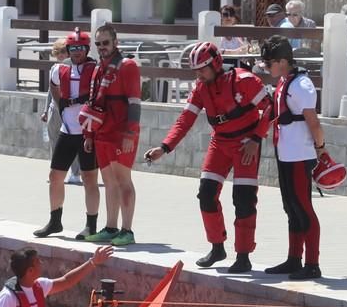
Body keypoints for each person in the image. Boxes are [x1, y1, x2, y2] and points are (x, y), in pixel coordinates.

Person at [144, 42, 272, 273]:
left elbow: (271, 109)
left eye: (202, 69)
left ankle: (243, 256)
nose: (198, 75)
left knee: (243, 200)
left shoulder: (244, 80)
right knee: (206, 194)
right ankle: (217, 247)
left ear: (216, 64)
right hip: (220, 142)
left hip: (245, 144)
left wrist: (256, 139)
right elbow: (185, 120)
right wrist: (164, 148)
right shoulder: (200, 88)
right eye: (196, 71)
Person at [260, 35, 325, 280]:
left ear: (283, 61)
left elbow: (314, 122)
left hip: (299, 154)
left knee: (304, 207)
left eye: (269, 64)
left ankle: (312, 263)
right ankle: (294, 258)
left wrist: (322, 149)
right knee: (290, 207)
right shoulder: (284, 82)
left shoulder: (301, 85)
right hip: (285, 153)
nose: (267, 68)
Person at [34, 29, 100, 240]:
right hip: (67, 130)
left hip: (88, 133)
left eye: (81, 48)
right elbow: (53, 87)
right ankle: (55, 221)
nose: (77, 51)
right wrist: (60, 103)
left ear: (87, 49)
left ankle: (91, 225)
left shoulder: (96, 70)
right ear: (68, 49)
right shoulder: (58, 69)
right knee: (55, 176)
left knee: (90, 179)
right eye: (73, 48)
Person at [81, 25, 141, 246]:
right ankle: (111, 227)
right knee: (108, 181)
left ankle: (127, 231)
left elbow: (135, 103)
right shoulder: (99, 68)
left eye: (105, 43)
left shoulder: (128, 66)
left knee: (123, 180)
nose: (102, 47)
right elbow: (93, 102)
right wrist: (89, 134)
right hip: (101, 132)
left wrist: (130, 133)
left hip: (121, 133)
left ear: (115, 42)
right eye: (98, 44)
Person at [0, 245, 114, 307]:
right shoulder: (7, 297)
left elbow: (67, 281)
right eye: (38, 261)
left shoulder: (39, 285)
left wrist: (93, 262)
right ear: (30, 271)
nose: (42, 262)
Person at [41, 38, 80, 183]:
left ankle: (75, 173)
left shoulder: (76, 68)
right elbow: (50, 92)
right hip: (54, 110)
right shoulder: (55, 68)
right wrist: (45, 111)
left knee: (74, 142)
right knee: (54, 142)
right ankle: (55, 172)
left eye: (63, 51)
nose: (61, 55)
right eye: (57, 52)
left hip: (70, 110)